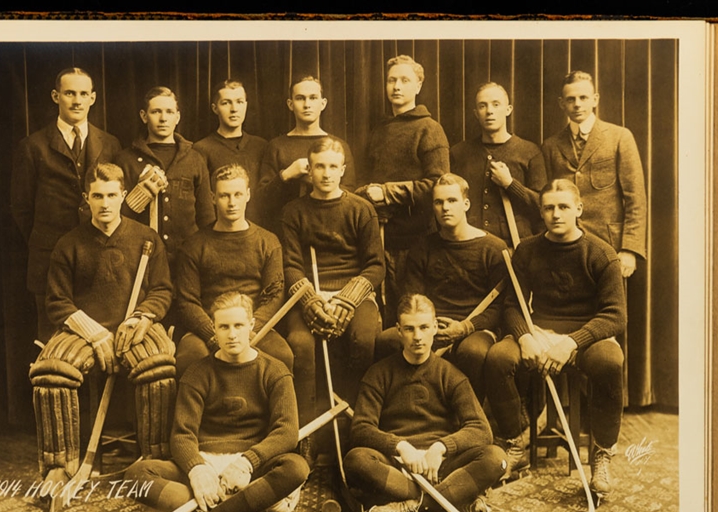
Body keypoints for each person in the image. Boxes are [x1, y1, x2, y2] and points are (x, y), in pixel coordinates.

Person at [29, 163, 175, 496]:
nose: (105, 203)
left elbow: (163, 290)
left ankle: (155, 461)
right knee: (52, 372)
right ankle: (58, 467)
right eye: (98, 196)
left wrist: (142, 317)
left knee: (159, 368)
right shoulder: (69, 243)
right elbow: (58, 302)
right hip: (84, 330)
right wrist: (94, 334)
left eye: (112, 195)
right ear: (86, 199)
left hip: (134, 327)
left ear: (124, 195)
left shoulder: (146, 239)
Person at [126, 292, 310, 512]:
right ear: (214, 328)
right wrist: (197, 469)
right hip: (207, 462)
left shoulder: (275, 371)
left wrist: (247, 463)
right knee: (136, 475)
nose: (232, 334)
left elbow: (286, 432)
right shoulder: (197, 373)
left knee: (297, 468)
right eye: (224, 327)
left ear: (251, 326)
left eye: (238, 325)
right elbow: (182, 435)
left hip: (251, 468)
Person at [484, 179, 626, 496]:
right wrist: (524, 337)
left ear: (578, 208)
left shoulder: (601, 253)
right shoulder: (528, 250)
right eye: (549, 207)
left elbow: (615, 316)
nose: (556, 214)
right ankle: (514, 439)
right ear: (541, 211)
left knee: (610, 361)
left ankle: (602, 453)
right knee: (497, 358)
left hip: (585, 335)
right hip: (540, 330)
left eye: (563, 207)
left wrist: (572, 342)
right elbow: (512, 306)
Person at [345, 294, 507, 512]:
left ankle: (409, 507)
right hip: (397, 465)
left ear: (435, 328)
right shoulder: (379, 374)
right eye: (409, 329)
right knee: (356, 460)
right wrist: (401, 446)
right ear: (399, 331)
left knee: (496, 458)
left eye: (423, 327)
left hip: (441, 467)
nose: (417, 337)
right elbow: (361, 429)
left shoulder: (451, 375)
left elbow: (481, 429)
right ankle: (453, 499)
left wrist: (441, 448)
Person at [281, 136, 384, 465]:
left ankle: (357, 425)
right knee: (299, 343)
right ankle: (307, 434)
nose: (326, 173)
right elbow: (291, 265)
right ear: (308, 171)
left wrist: (346, 301)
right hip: (309, 294)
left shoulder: (360, 208)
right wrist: (311, 302)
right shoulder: (294, 211)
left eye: (332, 167)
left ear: (342, 170)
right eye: (319, 166)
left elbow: (375, 265)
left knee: (364, 338)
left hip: (353, 295)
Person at [376, 173, 507, 408]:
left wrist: (466, 327)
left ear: (466, 204)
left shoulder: (493, 248)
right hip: (431, 324)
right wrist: (428, 327)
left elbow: (500, 307)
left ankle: (469, 417)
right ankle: (411, 412)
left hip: (477, 326)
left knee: (473, 352)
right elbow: (412, 297)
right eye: (438, 202)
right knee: (387, 341)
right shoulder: (423, 246)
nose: (445, 208)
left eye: (452, 201)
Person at [10, 67, 122, 343]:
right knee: (54, 353)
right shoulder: (32, 147)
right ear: (55, 96)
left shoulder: (109, 144)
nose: (76, 100)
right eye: (69, 93)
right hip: (48, 263)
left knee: (99, 345)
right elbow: (21, 209)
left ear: (93, 98)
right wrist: (48, 241)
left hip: (97, 263)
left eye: (83, 93)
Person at [356, 55, 450, 328]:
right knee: (383, 310)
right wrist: (368, 193)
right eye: (391, 80)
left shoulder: (429, 129)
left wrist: (387, 193)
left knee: (412, 308)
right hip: (380, 237)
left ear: (418, 86)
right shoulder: (379, 131)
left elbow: (437, 184)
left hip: (417, 240)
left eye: (405, 80)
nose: (396, 86)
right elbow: (364, 181)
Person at [174, 163, 292, 377]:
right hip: (209, 328)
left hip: (255, 327)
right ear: (212, 198)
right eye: (224, 196)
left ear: (247, 195)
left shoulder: (267, 241)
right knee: (189, 358)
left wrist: (249, 331)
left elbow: (274, 295)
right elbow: (187, 301)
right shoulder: (194, 245)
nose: (231, 203)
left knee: (282, 355)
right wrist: (214, 335)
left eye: (237, 194)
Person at [541, 71, 647, 277]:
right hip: (565, 245)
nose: (577, 104)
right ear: (562, 103)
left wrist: (629, 249)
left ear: (595, 100)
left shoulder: (619, 137)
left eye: (583, 98)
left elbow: (636, 198)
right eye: (570, 99)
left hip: (611, 246)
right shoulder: (551, 146)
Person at [114, 86, 213, 271]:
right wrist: (138, 198)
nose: (163, 118)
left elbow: (206, 218)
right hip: (138, 258)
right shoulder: (125, 160)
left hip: (187, 260)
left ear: (178, 116)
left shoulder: (194, 159)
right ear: (144, 116)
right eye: (156, 111)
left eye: (169, 112)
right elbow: (114, 217)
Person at [256, 75, 357, 235]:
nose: (307, 104)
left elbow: (351, 194)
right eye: (300, 98)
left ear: (323, 103)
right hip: (286, 233)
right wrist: (287, 174)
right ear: (290, 104)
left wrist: (315, 180)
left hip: (330, 231)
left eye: (313, 98)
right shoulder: (276, 146)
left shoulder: (339, 146)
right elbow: (262, 202)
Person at [450, 82, 547, 248]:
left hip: (516, 248)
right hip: (471, 246)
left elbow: (543, 205)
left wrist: (510, 184)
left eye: (496, 104)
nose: (489, 111)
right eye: (482, 106)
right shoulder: (459, 153)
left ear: (508, 110)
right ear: (476, 113)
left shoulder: (530, 152)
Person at [193, 79, 269, 198]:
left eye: (239, 102)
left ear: (246, 105)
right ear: (215, 108)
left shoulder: (261, 146)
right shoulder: (201, 149)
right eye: (226, 103)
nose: (234, 109)